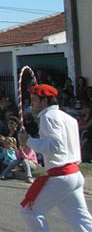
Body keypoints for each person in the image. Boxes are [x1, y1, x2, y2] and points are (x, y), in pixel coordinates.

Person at [18, 84, 92, 231]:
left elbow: (56, 146)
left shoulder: (48, 117)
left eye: (34, 100)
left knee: (29, 211)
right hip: (74, 174)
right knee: (82, 220)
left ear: (44, 101)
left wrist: (28, 140)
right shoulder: (68, 118)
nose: (31, 104)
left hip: (61, 176)